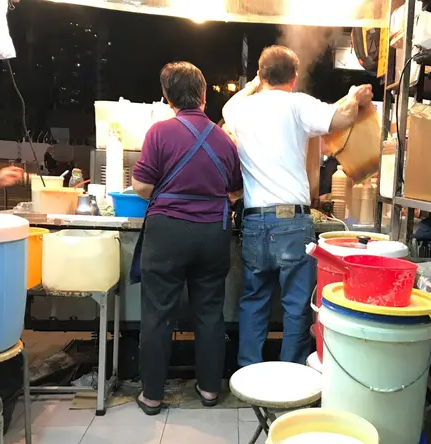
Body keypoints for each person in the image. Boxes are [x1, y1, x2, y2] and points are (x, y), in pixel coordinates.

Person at [222, 45, 373, 367]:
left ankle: (248, 373)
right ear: (294, 77)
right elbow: (343, 116)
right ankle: (291, 374)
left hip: (255, 221)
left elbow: (231, 103)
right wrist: (355, 96)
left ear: (260, 75)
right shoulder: (298, 104)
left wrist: (254, 83)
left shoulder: (238, 109)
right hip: (292, 223)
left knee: (254, 300)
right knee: (295, 305)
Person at [130, 61, 243, 415]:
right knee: (210, 312)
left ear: (167, 96)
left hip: (167, 233)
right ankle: (209, 390)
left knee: (158, 313)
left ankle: (152, 396)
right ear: (204, 95)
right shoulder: (225, 140)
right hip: (212, 234)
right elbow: (236, 191)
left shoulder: (159, 132)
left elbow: (142, 186)